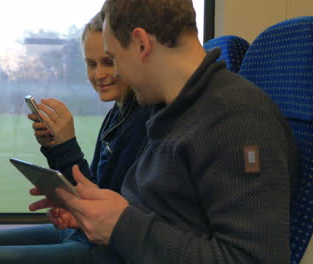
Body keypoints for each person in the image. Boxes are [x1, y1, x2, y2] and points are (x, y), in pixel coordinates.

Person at [32, 0, 298, 263]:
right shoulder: (172, 111)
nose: (115, 72)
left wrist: (120, 225)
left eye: (113, 59)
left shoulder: (237, 120)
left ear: (141, 44)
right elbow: (164, 216)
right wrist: (99, 213)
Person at [0, 13, 151, 264]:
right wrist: (55, 148)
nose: (99, 75)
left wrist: (67, 146)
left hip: (106, 249)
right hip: (85, 232)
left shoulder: (144, 122)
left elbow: (114, 211)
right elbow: (97, 188)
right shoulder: (117, 114)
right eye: (91, 64)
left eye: (108, 62)